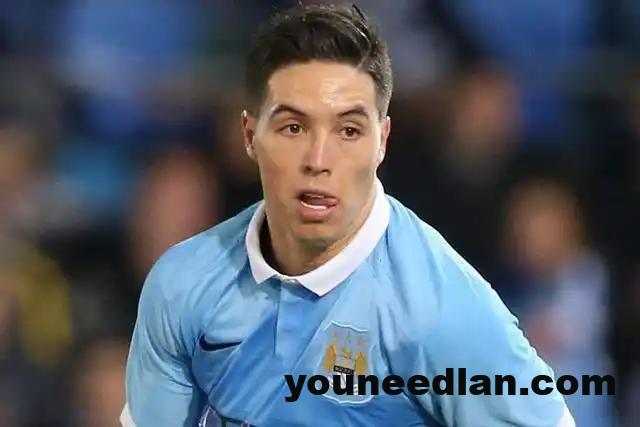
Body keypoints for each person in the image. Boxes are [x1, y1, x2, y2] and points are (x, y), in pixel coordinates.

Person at [121, 5, 575, 426]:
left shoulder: (442, 307)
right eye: (293, 127)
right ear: (250, 135)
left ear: (382, 141)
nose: (319, 159)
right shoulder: (183, 284)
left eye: (349, 130)